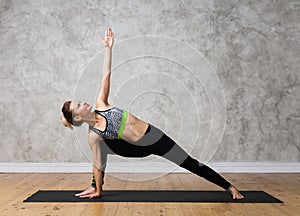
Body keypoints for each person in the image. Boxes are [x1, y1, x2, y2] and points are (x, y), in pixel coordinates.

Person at [61, 27, 244, 200]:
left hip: (153, 136)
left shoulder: (101, 103)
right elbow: (96, 164)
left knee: (189, 162)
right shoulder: (93, 135)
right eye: (78, 105)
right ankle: (97, 188)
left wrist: (109, 49)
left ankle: (229, 187)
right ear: (77, 117)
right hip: (135, 148)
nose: (83, 102)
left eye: (79, 101)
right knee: (100, 149)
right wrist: (98, 187)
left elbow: (105, 74)